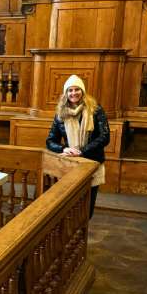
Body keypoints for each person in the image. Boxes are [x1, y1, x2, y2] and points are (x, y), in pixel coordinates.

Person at [46, 75, 110, 217]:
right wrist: (64, 148)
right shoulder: (61, 113)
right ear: (66, 93)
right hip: (70, 164)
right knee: (69, 206)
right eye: (70, 90)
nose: (73, 93)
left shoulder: (95, 110)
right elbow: (50, 141)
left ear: (82, 91)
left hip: (91, 163)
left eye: (77, 89)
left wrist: (81, 151)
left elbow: (105, 137)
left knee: (86, 208)